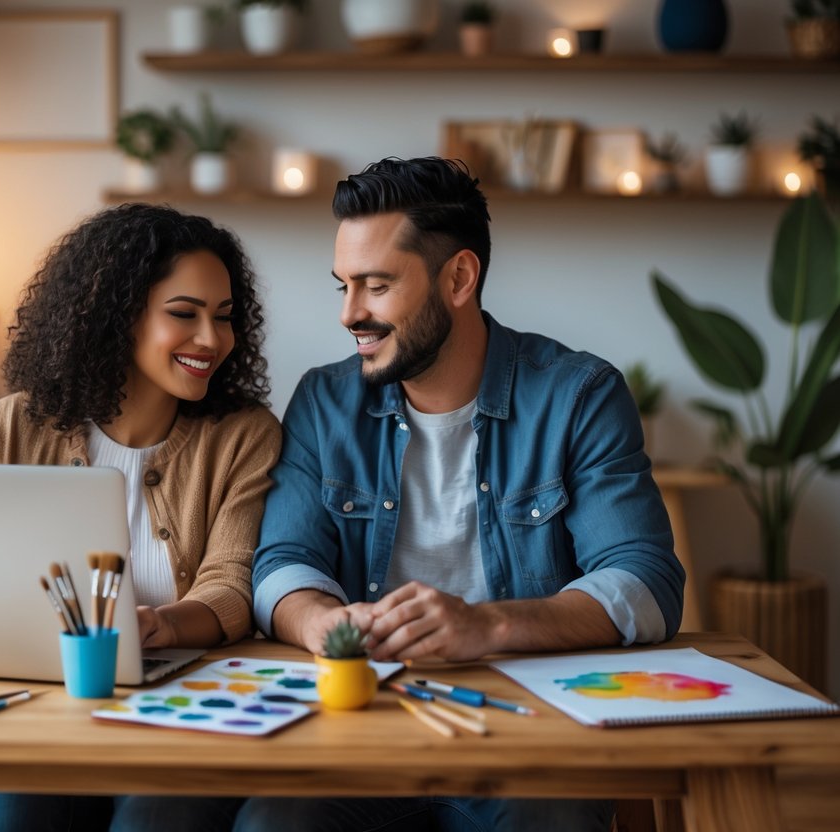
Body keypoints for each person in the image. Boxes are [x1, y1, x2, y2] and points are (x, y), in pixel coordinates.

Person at [241, 157, 684, 832]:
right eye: (343, 286)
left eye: (376, 286)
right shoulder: (324, 402)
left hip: (529, 737)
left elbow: (645, 582)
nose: (349, 314)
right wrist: (322, 624)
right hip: (363, 733)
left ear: (457, 277)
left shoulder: (578, 396)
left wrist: (490, 625)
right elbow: (282, 564)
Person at [0, 203, 279, 832]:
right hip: (31, 717)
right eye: (184, 313)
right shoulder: (7, 430)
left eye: (224, 317)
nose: (212, 338)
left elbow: (232, 585)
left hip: (184, 719)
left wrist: (161, 626)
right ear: (116, 316)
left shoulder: (243, 437)